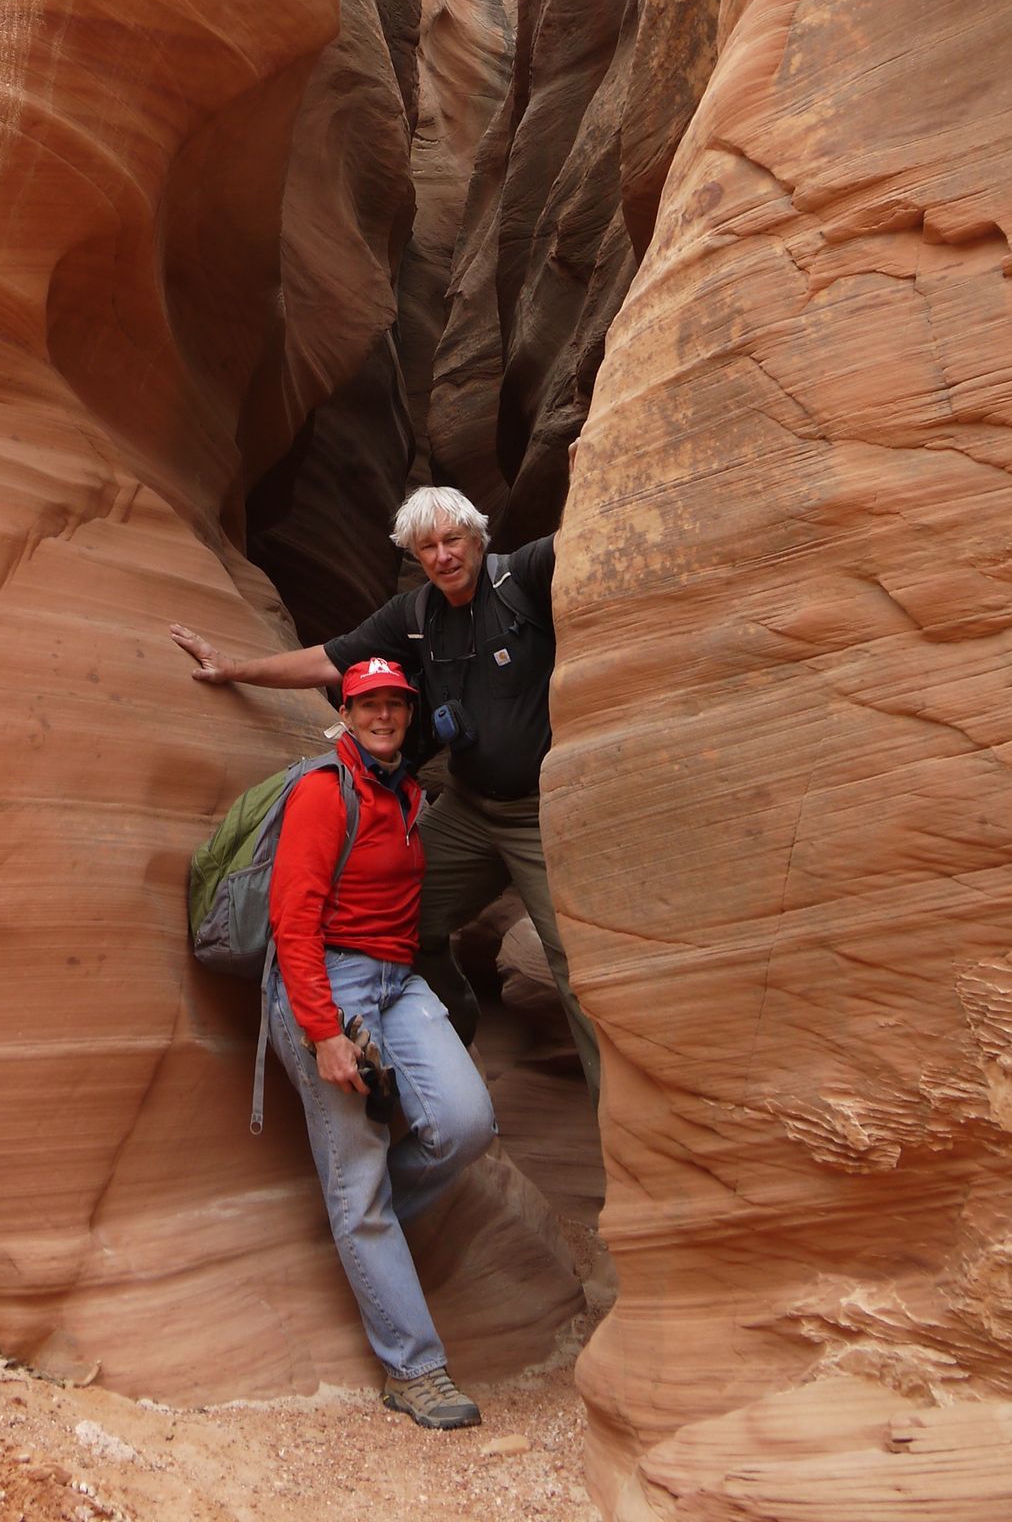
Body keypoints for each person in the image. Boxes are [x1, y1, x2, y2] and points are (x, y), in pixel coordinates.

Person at [171, 486, 604, 1105]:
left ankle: (626, 1130)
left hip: (537, 814)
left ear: (477, 537)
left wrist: (588, 469)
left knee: (574, 964)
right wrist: (234, 668)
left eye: (452, 540)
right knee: (402, 922)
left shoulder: (523, 575)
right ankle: (453, 1043)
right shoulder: (415, 615)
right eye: (426, 547)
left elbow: (595, 535)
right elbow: (328, 661)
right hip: (468, 807)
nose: (442, 556)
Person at [266, 655, 495, 1430]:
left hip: (397, 984)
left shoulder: (406, 792)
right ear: (347, 711)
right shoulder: (320, 792)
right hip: (332, 988)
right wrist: (323, 1031)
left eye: (396, 704)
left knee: (466, 1125)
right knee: (356, 1182)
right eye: (369, 705)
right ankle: (414, 1369)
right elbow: (292, 922)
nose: (385, 717)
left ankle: (362, 1219)